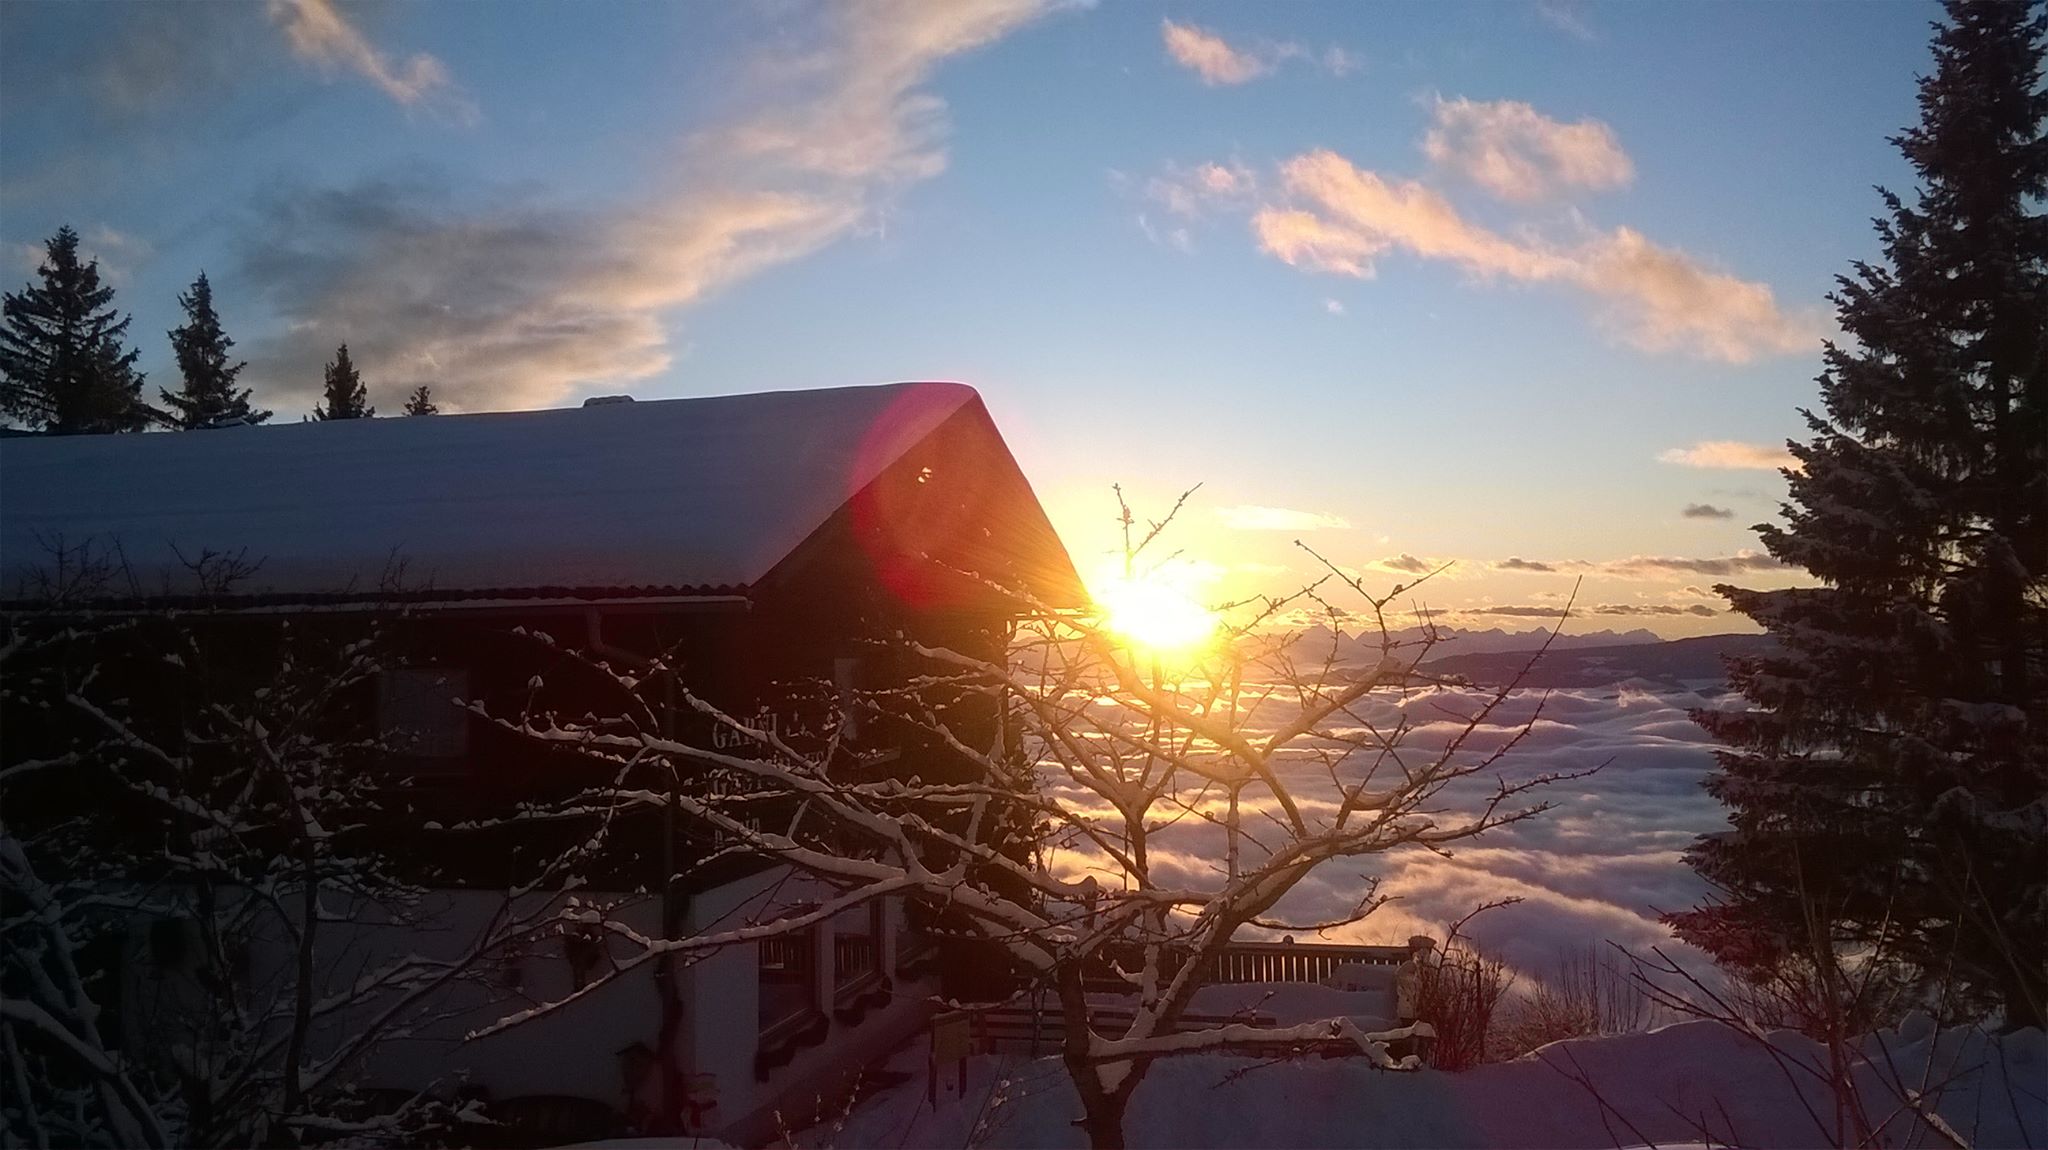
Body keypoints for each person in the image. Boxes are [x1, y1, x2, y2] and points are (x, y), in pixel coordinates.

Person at [1391, 934, 1438, 1065]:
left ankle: (1413, 1059)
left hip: (1410, 1011)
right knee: (1411, 1037)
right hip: (1411, 1011)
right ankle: (1411, 1060)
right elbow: (1413, 986)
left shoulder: (1413, 969)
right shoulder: (1411, 968)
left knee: (1413, 1036)